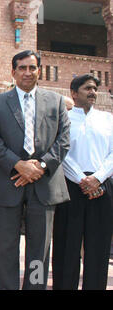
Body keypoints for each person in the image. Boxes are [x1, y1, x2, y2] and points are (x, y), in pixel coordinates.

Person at [0, 50, 71, 290]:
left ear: (39, 71)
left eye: (32, 68)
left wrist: (40, 166)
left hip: (44, 184)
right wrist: (18, 164)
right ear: (13, 72)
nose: (27, 72)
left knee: (39, 250)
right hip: (7, 181)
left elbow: (63, 140)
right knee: (7, 247)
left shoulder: (56, 101)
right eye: (22, 68)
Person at [52, 74, 113, 290]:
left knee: (98, 245)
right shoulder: (64, 119)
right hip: (71, 186)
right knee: (67, 244)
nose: (93, 92)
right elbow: (61, 153)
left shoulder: (108, 120)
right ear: (74, 93)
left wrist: (97, 178)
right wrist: (81, 179)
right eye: (87, 88)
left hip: (102, 186)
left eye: (95, 88)